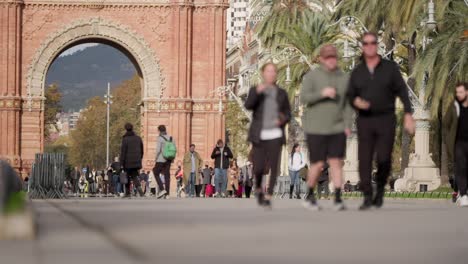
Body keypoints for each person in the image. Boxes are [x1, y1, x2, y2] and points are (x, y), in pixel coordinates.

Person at [347, 32, 415, 210]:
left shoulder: (390, 68)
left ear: (376, 45)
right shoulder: (357, 72)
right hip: (365, 120)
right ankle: (368, 196)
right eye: (366, 43)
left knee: (384, 158)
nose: (369, 46)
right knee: (364, 158)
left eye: (372, 43)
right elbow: (349, 95)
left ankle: (380, 190)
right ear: (363, 47)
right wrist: (356, 102)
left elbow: (402, 91)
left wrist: (408, 113)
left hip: (386, 119)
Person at [299, 44, 352, 210]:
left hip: (336, 127)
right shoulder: (312, 77)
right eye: (328, 57)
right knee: (317, 163)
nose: (331, 60)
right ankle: (309, 194)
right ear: (321, 59)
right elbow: (304, 98)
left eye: (334, 57)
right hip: (316, 127)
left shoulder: (343, 77)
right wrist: (322, 94)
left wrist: (348, 124)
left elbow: (347, 103)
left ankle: (337, 197)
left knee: (336, 162)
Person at [245, 62, 291, 208]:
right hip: (259, 134)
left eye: (273, 71)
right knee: (258, 167)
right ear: (263, 74)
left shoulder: (281, 93)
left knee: (274, 166)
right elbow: (248, 105)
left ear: (276, 75)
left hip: (276, 134)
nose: (271, 74)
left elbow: (288, 113)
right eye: (268, 71)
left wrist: (282, 119)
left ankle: (269, 195)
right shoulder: (255, 90)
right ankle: (258, 188)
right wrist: (257, 92)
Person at [443, 82, 468, 206]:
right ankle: (463, 194)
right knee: (461, 168)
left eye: (461, 92)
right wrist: (449, 139)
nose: (458, 94)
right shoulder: (454, 106)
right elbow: (446, 123)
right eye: (457, 92)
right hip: (458, 143)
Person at [120, 123, 145, 198]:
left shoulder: (125, 139)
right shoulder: (138, 138)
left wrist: (121, 163)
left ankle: (127, 193)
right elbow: (142, 150)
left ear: (126, 129)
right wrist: (139, 158)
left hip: (127, 162)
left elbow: (123, 152)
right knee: (134, 175)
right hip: (136, 161)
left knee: (127, 176)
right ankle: (140, 190)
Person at [153, 125, 176, 199]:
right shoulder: (171, 138)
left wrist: (155, 158)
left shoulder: (160, 138)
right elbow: (174, 149)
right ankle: (167, 194)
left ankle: (162, 189)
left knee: (155, 172)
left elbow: (158, 150)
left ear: (159, 130)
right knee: (167, 175)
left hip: (161, 159)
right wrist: (172, 158)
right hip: (168, 159)